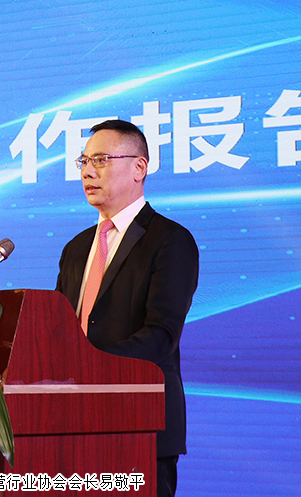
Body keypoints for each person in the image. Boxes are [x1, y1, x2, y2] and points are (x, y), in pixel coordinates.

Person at [55, 119, 199, 497]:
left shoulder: (170, 240)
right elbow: (60, 331)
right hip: (72, 426)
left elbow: (161, 335)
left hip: (140, 423)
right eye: (84, 161)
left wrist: (87, 366)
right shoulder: (76, 248)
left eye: (101, 160)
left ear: (139, 168)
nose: (87, 172)